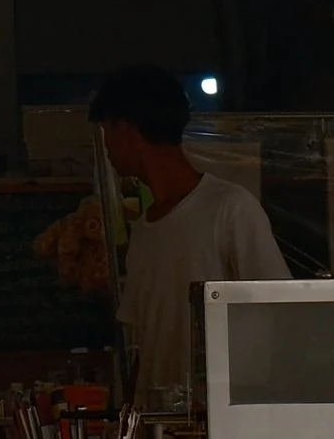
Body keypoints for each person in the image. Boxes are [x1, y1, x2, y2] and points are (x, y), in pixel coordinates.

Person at [88, 62, 287, 405]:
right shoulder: (144, 231)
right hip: (158, 428)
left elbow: (281, 311)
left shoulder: (229, 208)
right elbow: (145, 344)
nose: (106, 146)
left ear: (128, 128)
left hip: (220, 421)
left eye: (107, 129)